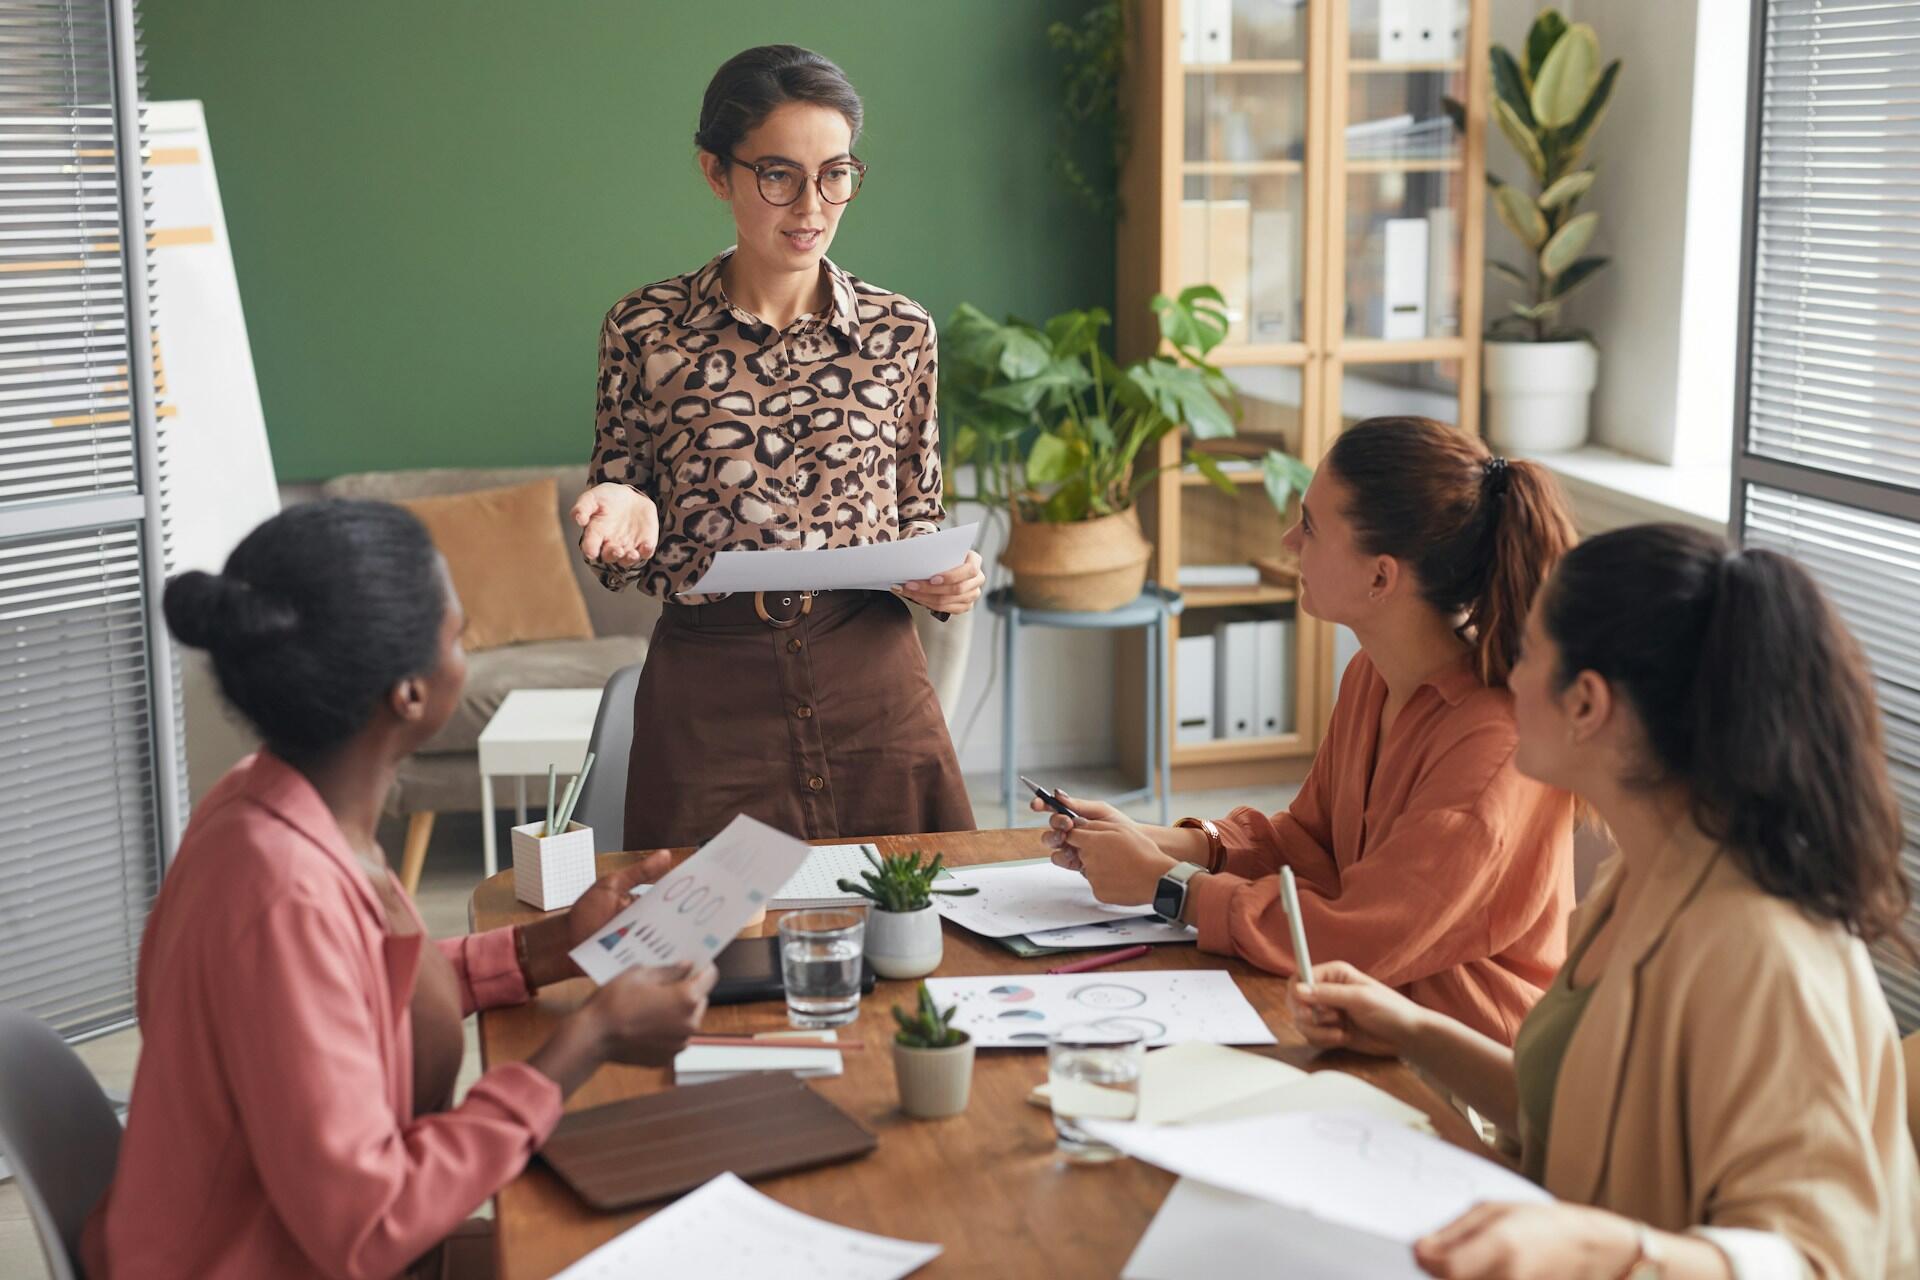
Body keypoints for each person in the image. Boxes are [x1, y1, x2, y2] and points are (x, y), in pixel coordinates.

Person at [82, 501, 715, 1280]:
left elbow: (353, 990)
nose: (464, 656)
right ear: (408, 694)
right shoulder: (283, 895)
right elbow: (370, 1224)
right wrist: (590, 1039)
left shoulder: (272, 800)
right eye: (458, 637)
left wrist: (552, 947)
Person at [1293, 524, 1920, 1279]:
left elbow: (1818, 1260)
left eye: (1527, 654)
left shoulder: (1764, 948)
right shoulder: (1638, 875)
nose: (1508, 677)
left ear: (1586, 703)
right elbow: (1574, 1116)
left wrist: (1610, 1251)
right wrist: (1410, 1031)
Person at [1038, 416, 1579, 1044]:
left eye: (1311, 526)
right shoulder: (1372, 675)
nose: (1290, 540)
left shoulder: (1494, 751)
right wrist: (1162, 843)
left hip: (1461, 1070)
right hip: (1359, 1026)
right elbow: (1311, 847)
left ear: (1380, 577)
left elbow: (1357, 940)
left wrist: (1168, 888)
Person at [570, 44, 982, 850]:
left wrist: (947, 578)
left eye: (836, 174)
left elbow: (916, 517)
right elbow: (622, 518)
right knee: (704, 923)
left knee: (907, 911)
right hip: (708, 698)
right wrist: (624, 516)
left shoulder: (902, 332)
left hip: (874, 689)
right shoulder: (645, 328)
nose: (812, 207)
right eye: (779, 176)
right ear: (716, 172)